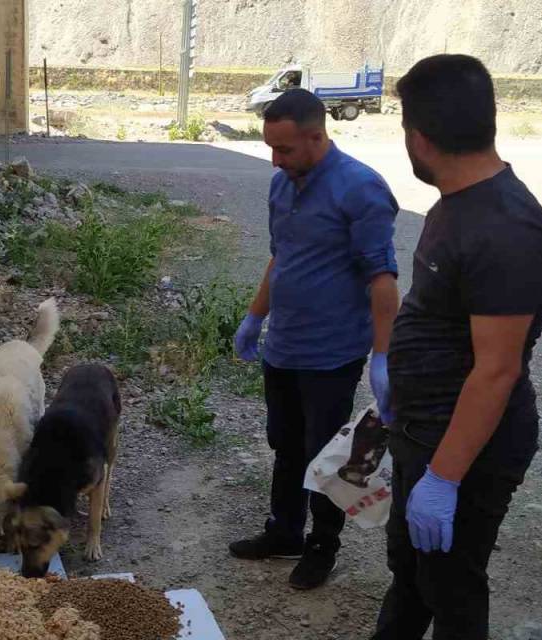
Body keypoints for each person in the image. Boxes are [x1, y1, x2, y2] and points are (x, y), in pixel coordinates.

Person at [371, 55, 542, 639]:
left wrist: (444, 479)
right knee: (411, 571)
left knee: (452, 589)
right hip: (422, 431)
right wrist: (393, 374)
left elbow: (497, 372)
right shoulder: (458, 201)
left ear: (419, 139)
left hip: (465, 449)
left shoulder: (508, 229)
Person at [229, 88, 400, 590]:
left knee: (326, 458)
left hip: (331, 354)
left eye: (285, 150)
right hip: (284, 347)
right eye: (270, 148)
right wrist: (254, 317)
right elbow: (281, 257)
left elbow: (382, 280)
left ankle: (322, 546)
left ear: (317, 136)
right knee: (284, 445)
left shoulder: (360, 189)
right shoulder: (282, 185)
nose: (275, 160)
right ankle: (284, 532)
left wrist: (383, 356)